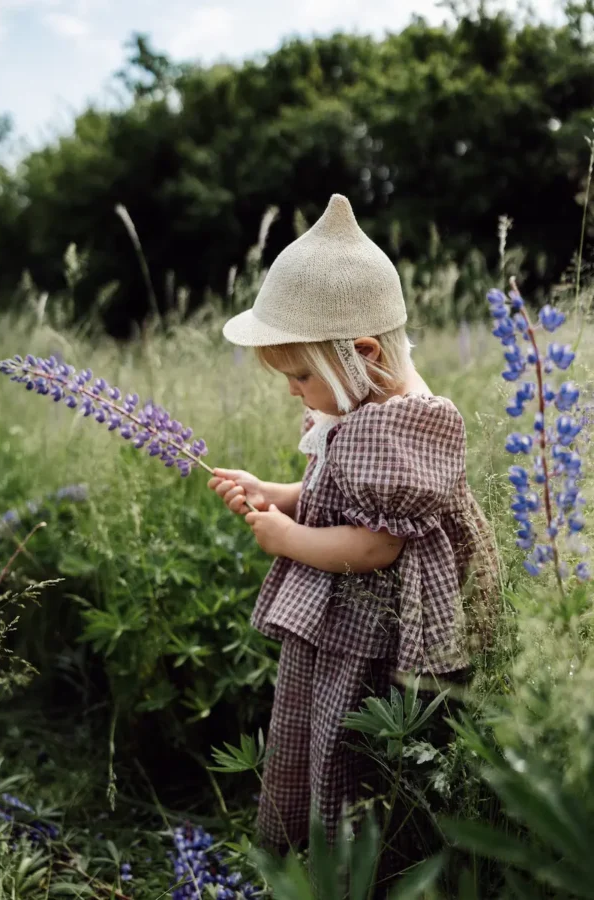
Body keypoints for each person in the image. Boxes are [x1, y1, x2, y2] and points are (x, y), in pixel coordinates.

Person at [208, 194, 498, 862]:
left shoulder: (401, 424)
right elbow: (331, 495)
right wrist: (275, 493)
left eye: (302, 374)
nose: (294, 392)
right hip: (345, 615)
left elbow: (375, 543)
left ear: (365, 353)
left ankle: (367, 861)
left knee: (353, 734)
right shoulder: (356, 404)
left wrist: (289, 540)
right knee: (318, 719)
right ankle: (319, 849)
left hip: (378, 629)